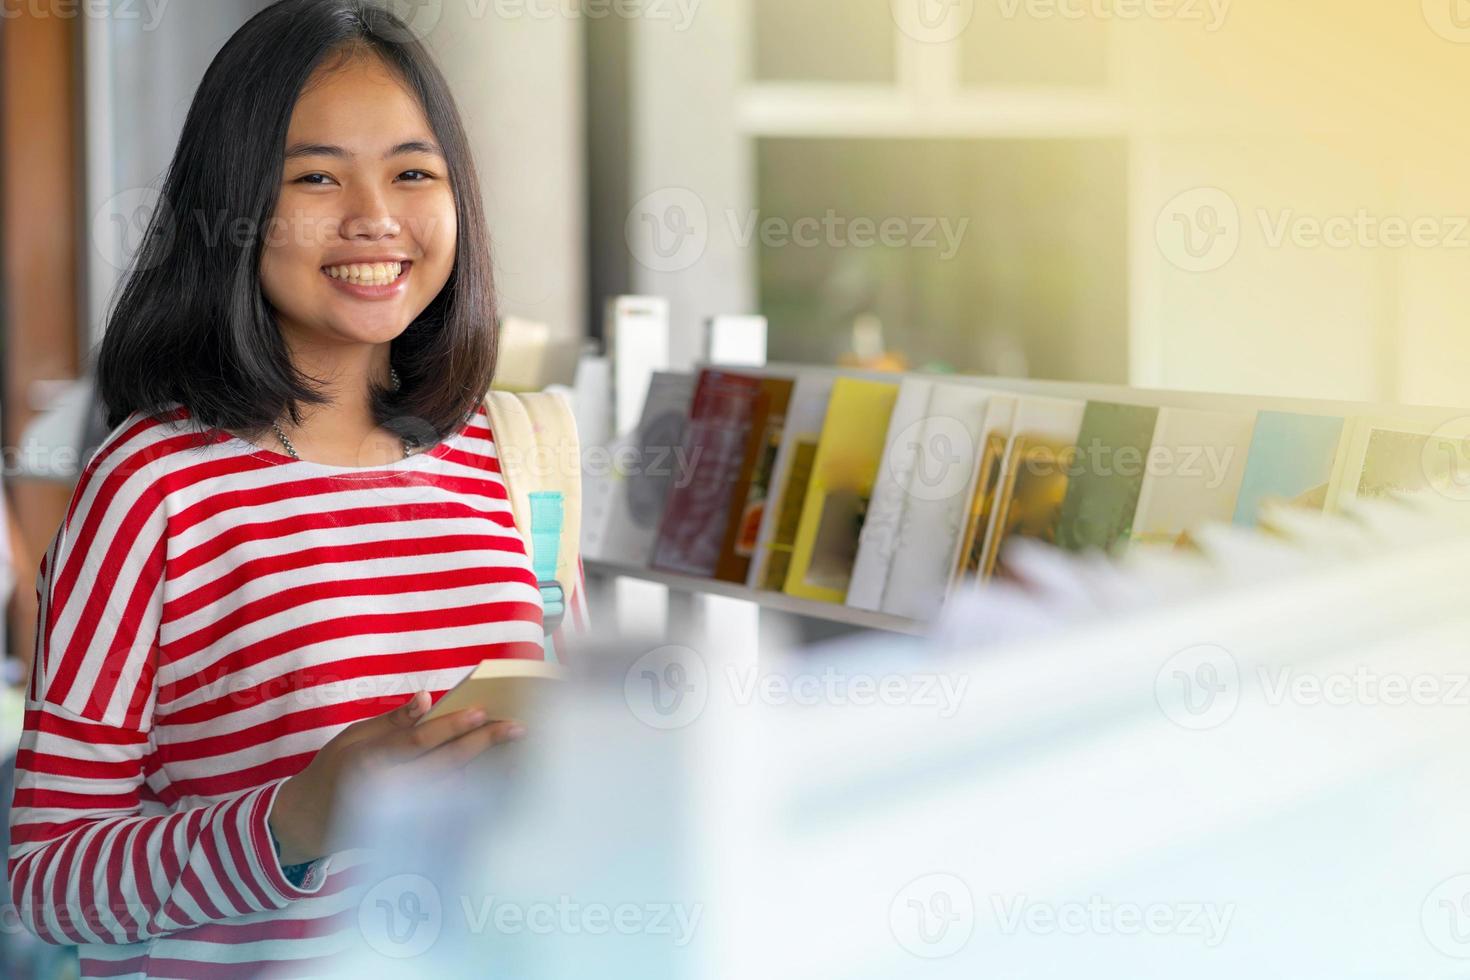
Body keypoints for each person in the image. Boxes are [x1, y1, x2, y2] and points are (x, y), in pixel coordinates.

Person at [5, 2, 587, 976]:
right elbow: (49, 880)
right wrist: (297, 815)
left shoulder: (512, 453)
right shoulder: (152, 488)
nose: (376, 216)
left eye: (412, 171)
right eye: (317, 175)